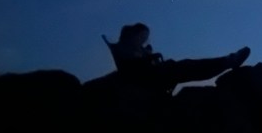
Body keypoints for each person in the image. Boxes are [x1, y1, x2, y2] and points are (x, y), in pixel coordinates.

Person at [104, 22, 250, 92]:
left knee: (190, 66)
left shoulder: (135, 49)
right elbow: (132, 69)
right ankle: (229, 61)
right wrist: (147, 58)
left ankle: (228, 61)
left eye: (145, 38)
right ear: (133, 35)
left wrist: (148, 56)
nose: (143, 41)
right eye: (142, 37)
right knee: (189, 67)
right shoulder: (123, 49)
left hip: (160, 74)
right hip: (153, 78)